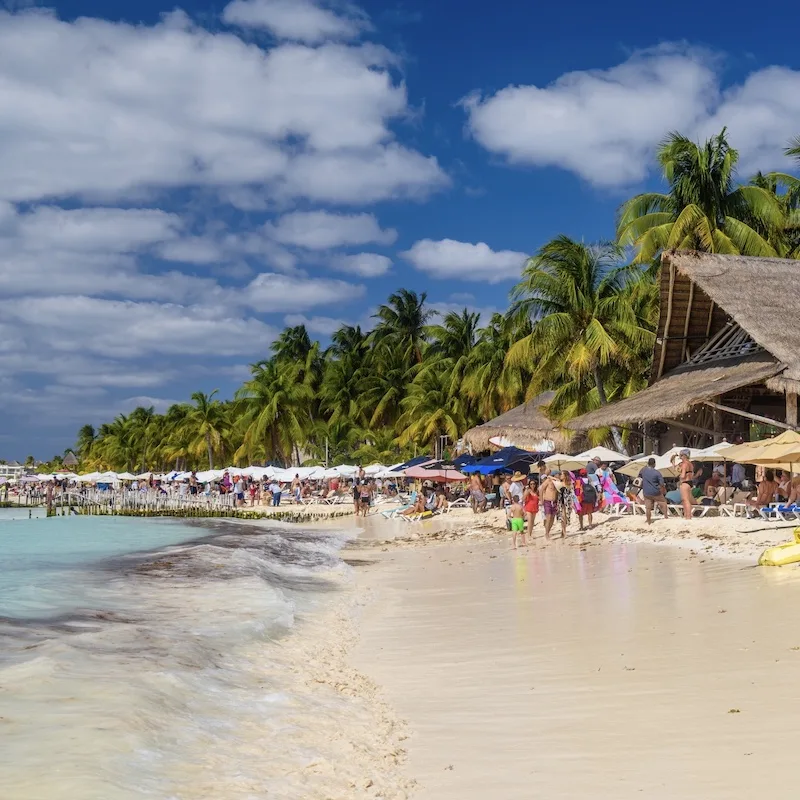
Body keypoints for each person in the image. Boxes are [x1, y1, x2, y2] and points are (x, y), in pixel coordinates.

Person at [639, 457, 668, 524]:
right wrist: (663, 490)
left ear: (648, 463)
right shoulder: (657, 473)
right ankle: (666, 516)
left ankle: (648, 520)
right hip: (655, 491)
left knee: (648, 508)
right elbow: (661, 484)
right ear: (654, 464)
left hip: (646, 492)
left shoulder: (644, 470)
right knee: (663, 502)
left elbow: (640, 474)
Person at [672, 449, 695, 519]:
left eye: (681, 456)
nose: (680, 457)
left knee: (685, 500)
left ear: (685, 456)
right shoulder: (690, 464)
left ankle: (688, 516)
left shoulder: (684, 464)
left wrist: (679, 477)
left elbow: (683, 475)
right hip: (689, 482)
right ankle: (687, 515)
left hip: (685, 482)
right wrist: (673, 461)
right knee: (686, 499)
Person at [539, 472, 558, 540]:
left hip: (555, 502)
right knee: (548, 517)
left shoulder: (557, 482)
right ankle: (547, 534)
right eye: (558, 474)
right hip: (547, 501)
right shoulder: (548, 481)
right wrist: (541, 500)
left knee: (552, 518)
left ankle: (548, 531)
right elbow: (541, 490)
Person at [556, 471, 575, 538]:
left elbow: (572, 493)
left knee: (566, 517)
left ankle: (562, 531)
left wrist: (573, 502)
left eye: (561, 474)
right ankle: (565, 532)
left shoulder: (569, 483)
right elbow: (551, 478)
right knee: (563, 517)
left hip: (568, 502)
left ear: (565, 475)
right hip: (561, 502)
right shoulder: (559, 483)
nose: (560, 475)